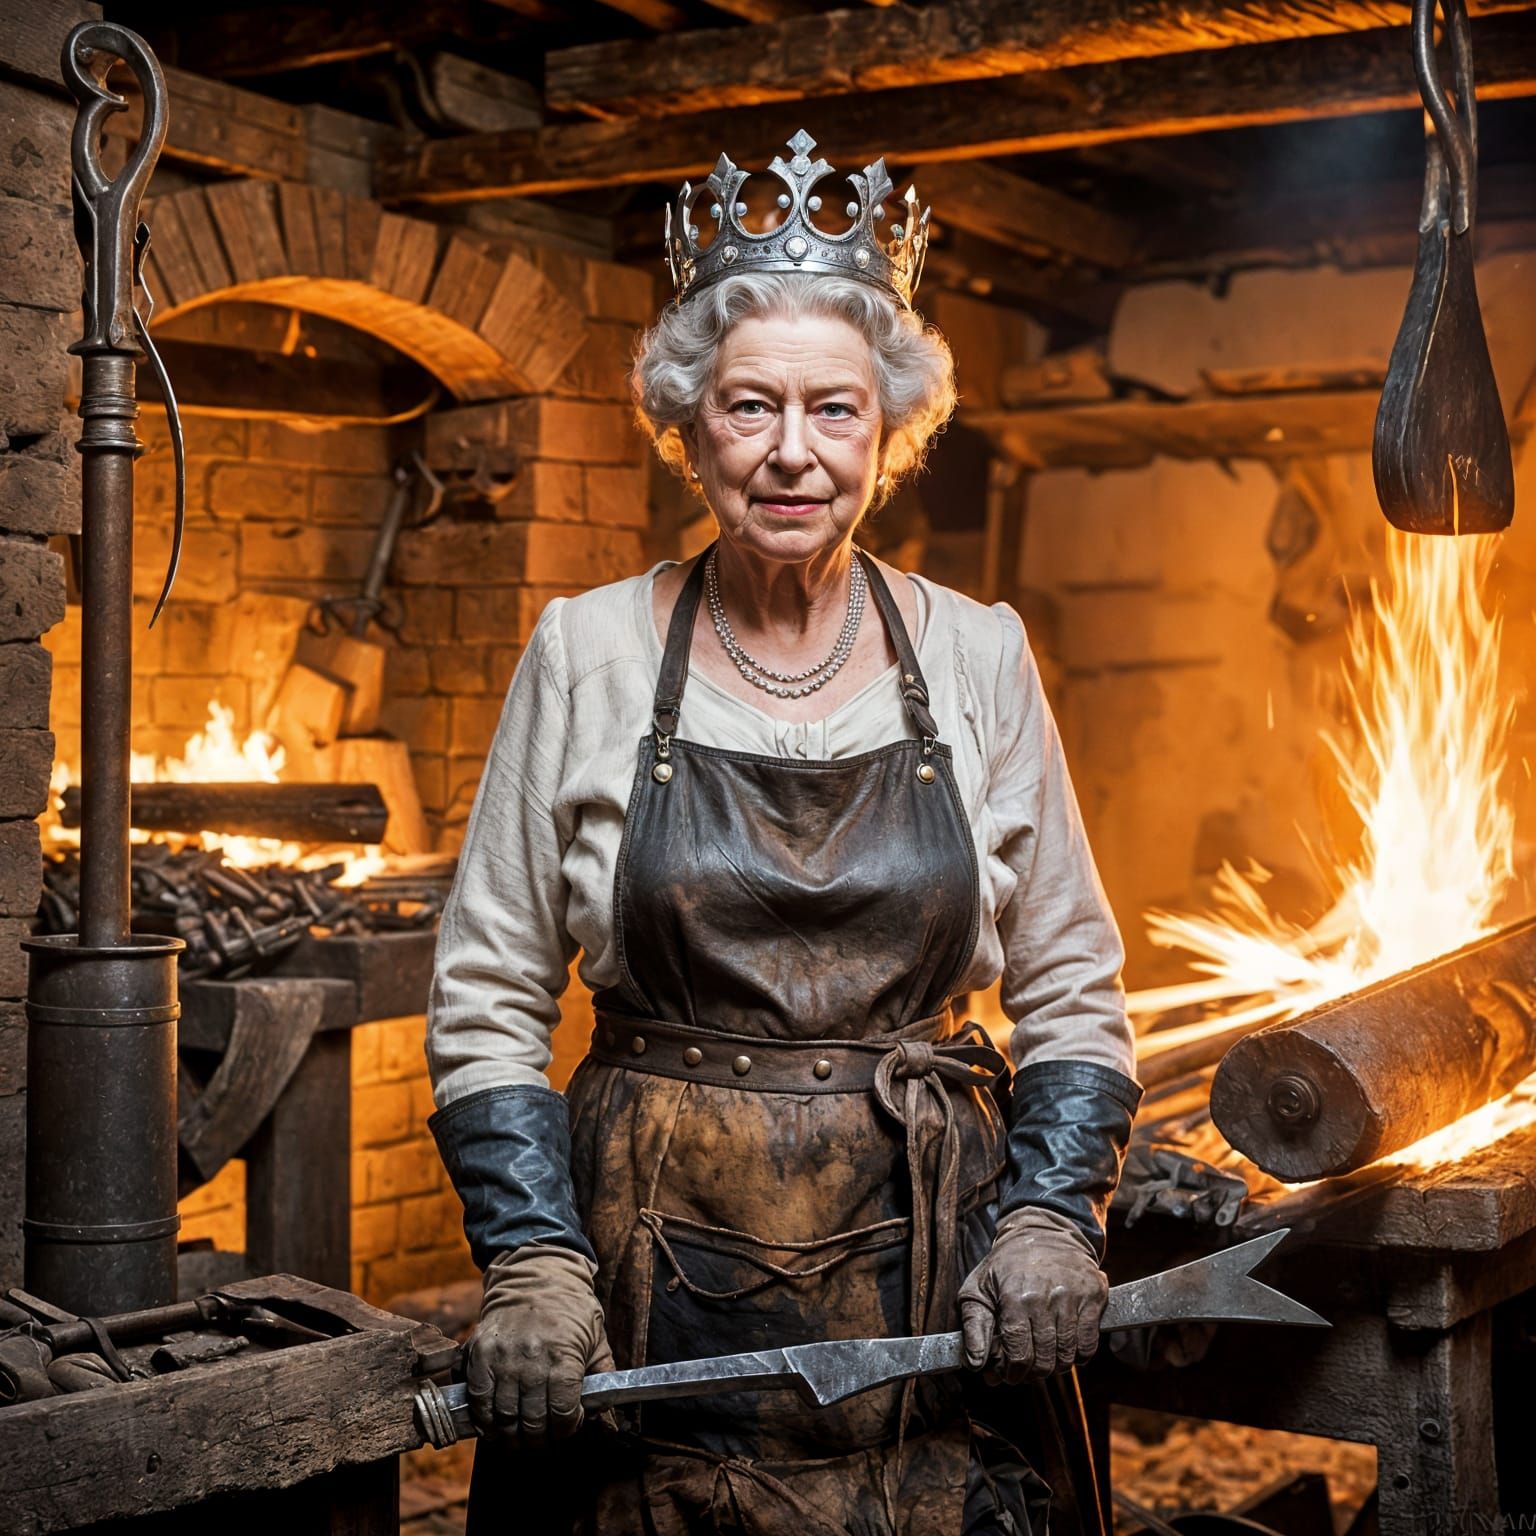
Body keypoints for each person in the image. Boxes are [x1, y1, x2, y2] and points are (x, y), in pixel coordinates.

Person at [426, 131, 1141, 1536]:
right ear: (689, 427)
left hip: (935, 1260)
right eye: (751, 408)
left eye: (835, 411)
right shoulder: (587, 652)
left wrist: (1051, 1220)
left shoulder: (980, 655)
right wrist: (535, 1263)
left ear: (890, 433)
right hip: (645, 1257)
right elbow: (486, 991)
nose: (793, 453)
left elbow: (1072, 983)